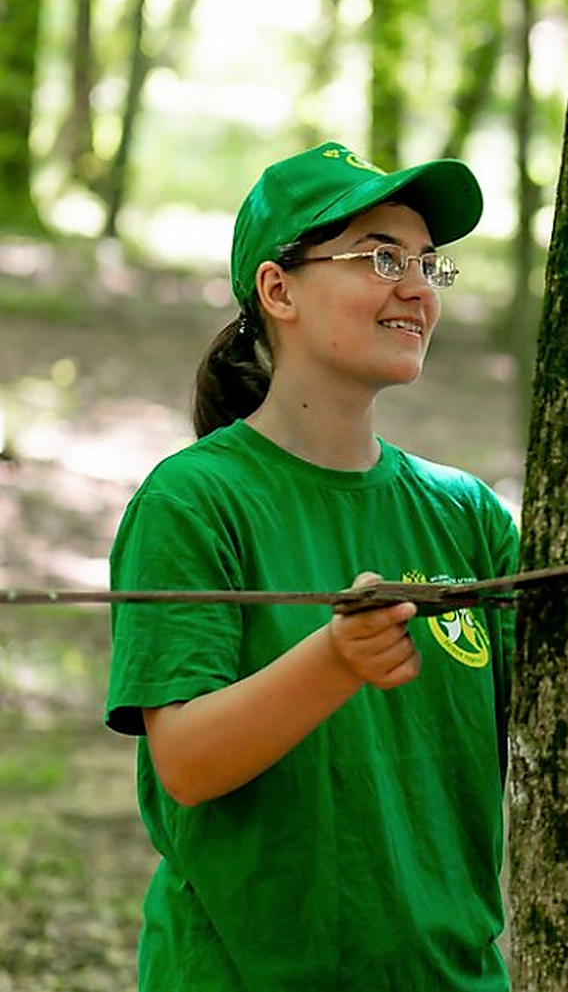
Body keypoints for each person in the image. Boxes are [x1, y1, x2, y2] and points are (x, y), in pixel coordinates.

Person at [105, 142, 517, 989]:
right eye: (379, 257)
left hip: (452, 977)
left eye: (428, 265)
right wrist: (335, 661)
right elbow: (183, 761)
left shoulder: (466, 512)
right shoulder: (194, 500)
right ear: (277, 289)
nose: (415, 289)